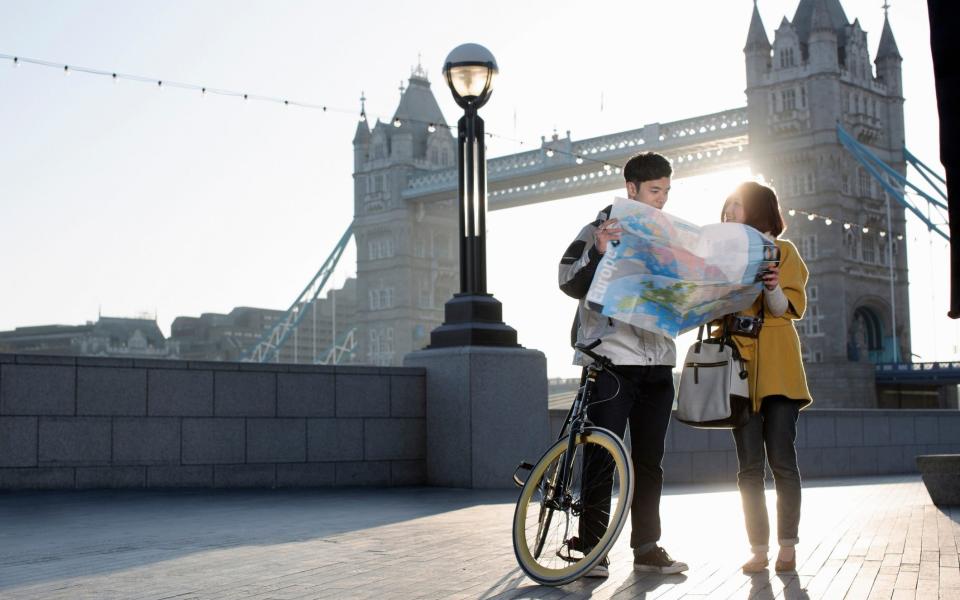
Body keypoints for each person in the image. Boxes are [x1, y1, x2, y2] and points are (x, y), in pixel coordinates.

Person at [558, 151, 688, 578]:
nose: (661, 200)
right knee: (601, 456)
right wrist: (597, 251)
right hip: (611, 361)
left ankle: (647, 548)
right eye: (655, 191)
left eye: (667, 191)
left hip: (659, 365)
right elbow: (568, 282)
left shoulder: (670, 236)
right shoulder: (595, 229)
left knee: (649, 462)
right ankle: (592, 549)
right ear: (630, 188)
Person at [718, 181, 813, 574]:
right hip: (737, 367)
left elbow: (786, 309)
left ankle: (786, 546)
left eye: (734, 206)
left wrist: (772, 285)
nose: (726, 214)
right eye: (724, 208)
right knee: (748, 467)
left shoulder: (784, 251)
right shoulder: (722, 256)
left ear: (757, 208)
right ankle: (758, 548)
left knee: (782, 461)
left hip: (778, 367)